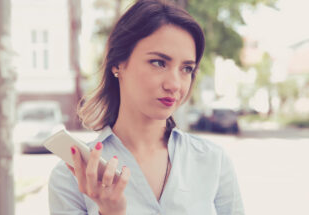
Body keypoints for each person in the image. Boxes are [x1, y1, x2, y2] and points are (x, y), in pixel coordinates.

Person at [48, 0, 245, 214]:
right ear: (118, 63)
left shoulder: (213, 161)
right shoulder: (73, 176)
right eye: (159, 63)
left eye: (186, 68)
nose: (175, 85)